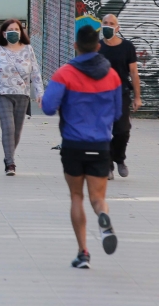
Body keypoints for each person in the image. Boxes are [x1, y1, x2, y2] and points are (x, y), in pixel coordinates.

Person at [42, 25, 122, 269]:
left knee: (76, 196)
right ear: (99, 47)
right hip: (100, 145)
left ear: (75, 46)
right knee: (98, 198)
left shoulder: (64, 73)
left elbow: (47, 107)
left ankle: (83, 253)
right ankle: (103, 217)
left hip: (73, 145)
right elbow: (118, 113)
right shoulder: (112, 76)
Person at [0, 19, 43, 175]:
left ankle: (9, 155)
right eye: (10, 29)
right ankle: (10, 162)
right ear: (4, 33)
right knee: (8, 126)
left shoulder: (28, 49)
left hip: (22, 94)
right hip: (2, 93)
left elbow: (35, 73)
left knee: (16, 131)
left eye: (17, 29)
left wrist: (40, 93)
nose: (14, 32)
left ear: (21, 32)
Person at [99, 14, 142, 179]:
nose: (108, 26)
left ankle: (120, 158)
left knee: (122, 131)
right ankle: (108, 166)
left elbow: (134, 73)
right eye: (105, 23)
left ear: (118, 28)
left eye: (112, 24)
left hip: (121, 93)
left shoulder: (127, 47)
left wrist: (137, 97)